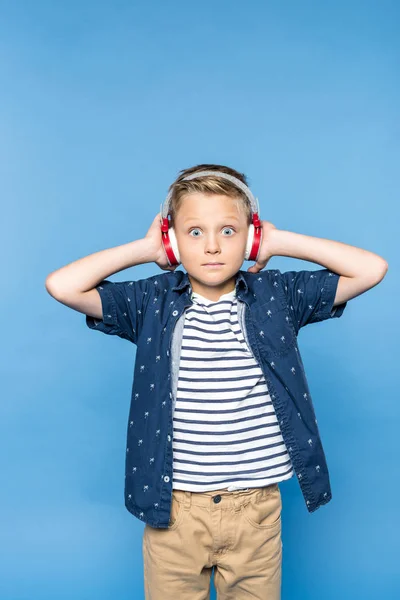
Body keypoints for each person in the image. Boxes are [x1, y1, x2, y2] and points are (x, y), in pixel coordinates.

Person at [45, 163, 388, 600]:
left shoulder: (276, 296)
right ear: (172, 240)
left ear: (250, 236)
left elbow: (371, 269)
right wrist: (145, 249)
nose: (211, 246)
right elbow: (62, 285)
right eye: (193, 232)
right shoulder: (151, 300)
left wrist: (277, 242)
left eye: (228, 231)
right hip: (174, 511)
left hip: (256, 510)